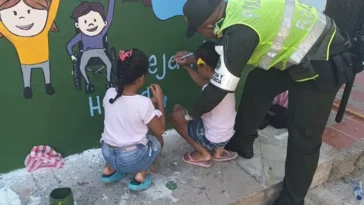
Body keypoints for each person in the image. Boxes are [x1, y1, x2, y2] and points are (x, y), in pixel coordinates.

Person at [176, 0, 361, 204]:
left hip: (324, 58)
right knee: (258, 83)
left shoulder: (241, 31)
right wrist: (195, 57)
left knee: (305, 135)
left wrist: (188, 115)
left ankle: (292, 199)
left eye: (199, 31)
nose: (201, 34)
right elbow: (224, 47)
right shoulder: (231, 9)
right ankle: (243, 142)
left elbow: (218, 89)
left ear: (208, 26)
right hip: (296, 52)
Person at [100, 49, 165, 191]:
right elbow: (160, 129)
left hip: (107, 153)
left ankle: (109, 170)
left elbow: (125, 111)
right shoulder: (143, 103)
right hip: (132, 158)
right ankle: (140, 175)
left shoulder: (109, 93)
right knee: (158, 140)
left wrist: (150, 106)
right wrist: (159, 101)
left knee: (117, 139)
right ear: (141, 79)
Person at [169, 41, 237, 168]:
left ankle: (203, 154)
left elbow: (190, 113)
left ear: (205, 67)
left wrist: (181, 114)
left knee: (175, 115)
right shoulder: (226, 83)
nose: (196, 67)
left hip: (212, 139)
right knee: (217, 121)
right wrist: (187, 67)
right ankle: (219, 152)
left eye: (198, 64)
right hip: (227, 136)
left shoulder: (209, 92)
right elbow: (203, 83)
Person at [0, 0, 60, 99]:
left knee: (45, 72)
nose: (22, 17)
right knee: (27, 75)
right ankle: (28, 87)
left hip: (42, 60)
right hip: (26, 63)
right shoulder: (14, 36)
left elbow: (53, 9)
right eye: (14, 13)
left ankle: (47, 84)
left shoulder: (44, 29)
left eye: (29, 11)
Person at [67, 0, 115, 93]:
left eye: (95, 20)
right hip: (86, 53)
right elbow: (69, 45)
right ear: (77, 25)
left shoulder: (102, 32)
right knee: (81, 67)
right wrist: (72, 55)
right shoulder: (81, 35)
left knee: (109, 64)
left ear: (104, 22)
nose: (91, 24)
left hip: (100, 51)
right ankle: (88, 84)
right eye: (85, 21)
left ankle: (109, 81)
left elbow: (110, 15)